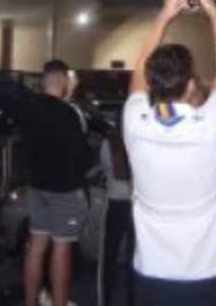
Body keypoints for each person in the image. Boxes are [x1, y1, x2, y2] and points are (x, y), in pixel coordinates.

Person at [123, 0, 216, 305]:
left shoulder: (135, 122)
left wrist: (165, 15)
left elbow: (137, 78)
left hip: (151, 272)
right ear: (191, 86)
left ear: (152, 82)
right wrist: (213, 13)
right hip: (208, 273)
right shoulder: (210, 126)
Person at [22, 60, 90, 306]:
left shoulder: (30, 108)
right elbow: (83, 152)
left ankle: (30, 302)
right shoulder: (70, 112)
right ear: (63, 80)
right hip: (65, 189)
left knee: (36, 244)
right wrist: (70, 96)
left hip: (38, 185)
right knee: (62, 248)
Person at [97, 115, 135, 306]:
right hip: (135, 205)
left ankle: (106, 299)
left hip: (115, 202)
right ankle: (133, 300)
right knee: (134, 257)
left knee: (109, 256)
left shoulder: (108, 143)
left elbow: (106, 170)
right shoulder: (138, 141)